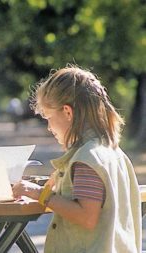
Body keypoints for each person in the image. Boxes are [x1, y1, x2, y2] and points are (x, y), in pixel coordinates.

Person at [12, 66, 141, 253]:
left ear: (67, 112)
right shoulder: (113, 152)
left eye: (48, 117)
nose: (49, 127)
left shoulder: (87, 159)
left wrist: (40, 193)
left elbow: (87, 216)